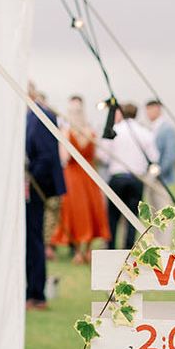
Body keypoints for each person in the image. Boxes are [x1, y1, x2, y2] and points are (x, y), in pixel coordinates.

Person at [51, 96, 109, 265]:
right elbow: (97, 155)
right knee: (91, 210)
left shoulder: (67, 132)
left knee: (76, 213)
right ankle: (88, 250)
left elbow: (64, 158)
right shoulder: (91, 132)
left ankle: (78, 251)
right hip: (89, 175)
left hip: (74, 177)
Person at [24, 84, 65, 308]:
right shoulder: (28, 117)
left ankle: (36, 294)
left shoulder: (40, 116)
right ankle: (30, 290)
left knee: (34, 241)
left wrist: (30, 178)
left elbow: (46, 156)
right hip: (28, 188)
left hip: (36, 189)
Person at [98, 103, 159, 250]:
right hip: (136, 178)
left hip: (117, 177)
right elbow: (154, 157)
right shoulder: (145, 132)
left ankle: (111, 248)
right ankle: (128, 249)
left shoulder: (114, 131)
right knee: (132, 217)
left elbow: (103, 156)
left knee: (113, 217)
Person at [144, 99, 175, 214]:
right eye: (147, 110)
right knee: (153, 211)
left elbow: (170, 154)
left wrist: (159, 172)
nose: (148, 113)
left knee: (164, 210)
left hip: (162, 177)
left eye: (151, 109)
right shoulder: (148, 128)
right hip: (149, 177)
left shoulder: (167, 129)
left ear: (158, 109)